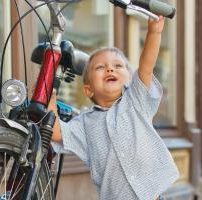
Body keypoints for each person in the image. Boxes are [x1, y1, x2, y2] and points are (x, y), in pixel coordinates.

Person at [49, 16, 179, 200]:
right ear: (88, 90)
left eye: (118, 66)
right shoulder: (85, 123)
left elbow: (146, 67)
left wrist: (154, 32)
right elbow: (56, 133)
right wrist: (50, 97)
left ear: (129, 78)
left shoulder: (135, 100)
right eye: (101, 67)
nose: (110, 69)